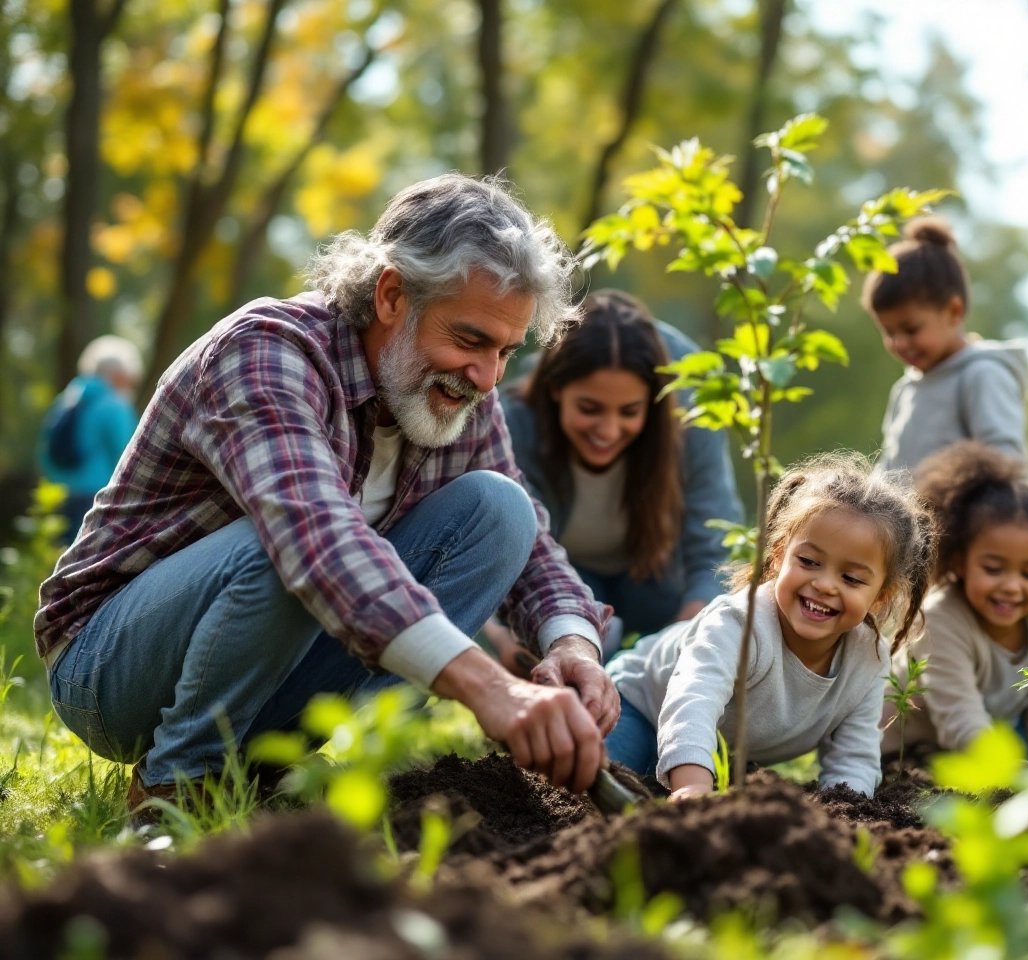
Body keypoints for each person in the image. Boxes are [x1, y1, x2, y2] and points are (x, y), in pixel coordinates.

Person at [35, 174, 620, 820]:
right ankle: (178, 784)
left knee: (500, 510)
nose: (487, 376)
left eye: (507, 351)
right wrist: (491, 688)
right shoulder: (266, 351)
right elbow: (316, 542)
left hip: (265, 664)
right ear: (392, 294)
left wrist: (572, 647)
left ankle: (260, 766)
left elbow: (532, 544)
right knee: (283, 543)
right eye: (471, 340)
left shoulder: (454, 393)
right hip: (109, 668)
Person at [604, 452, 933, 799]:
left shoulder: (869, 657)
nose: (824, 584)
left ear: (881, 596)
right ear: (778, 555)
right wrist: (692, 789)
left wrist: (846, 814)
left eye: (851, 578)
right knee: (604, 781)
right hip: (640, 708)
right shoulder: (739, 624)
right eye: (808, 561)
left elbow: (855, 758)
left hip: (722, 749)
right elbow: (693, 700)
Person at [500, 289, 741, 653]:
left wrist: (681, 647)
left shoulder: (692, 417)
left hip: (657, 578)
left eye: (629, 412)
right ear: (555, 389)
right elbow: (505, 556)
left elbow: (713, 551)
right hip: (563, 577)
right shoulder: (515, 423)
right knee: (588, 638)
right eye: (589, 408)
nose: (608, 431)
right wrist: (511, 646)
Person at [881, 441, 1028, 765]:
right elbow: (961, 722)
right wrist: (1010, 773)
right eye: (993, 569)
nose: (1011, 587)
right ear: (960, 561)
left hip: (958, 756)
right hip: (894, 756)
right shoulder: (939, 621)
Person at [865, 217, 1028, 473]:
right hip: (903, 515)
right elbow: (889, 467)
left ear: (953, 312)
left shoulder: (981, 376)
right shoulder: (905, 389)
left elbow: (1007, 466)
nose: (899, 342)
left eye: (911, 329)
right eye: (889, 332)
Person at [38, 335, 143, 536]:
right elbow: (129, 459)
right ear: (117, 375)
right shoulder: (116, 406)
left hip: (56, 495)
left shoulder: (66, 399)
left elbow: (44, 448)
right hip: (94, 498)